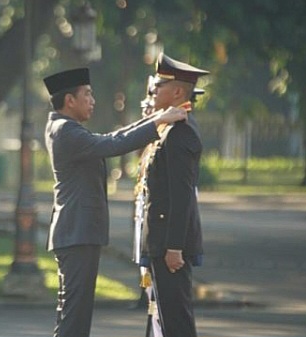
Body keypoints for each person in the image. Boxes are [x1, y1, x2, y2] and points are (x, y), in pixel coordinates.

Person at [43, 67, 188, 337]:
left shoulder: (66, 128)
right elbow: (112, 144)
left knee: (74, 314)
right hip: (77, 233)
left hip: (77, 233)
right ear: (69, 100)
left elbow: (112, 138)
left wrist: (156, 118)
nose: (92, 100)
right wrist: (158, 122)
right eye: (87, 94)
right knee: (74, 316)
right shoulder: (66, 131)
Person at [137, 53, 209, 337]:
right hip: (162, 241)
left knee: (176, 322)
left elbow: (182, 196)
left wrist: (175, 246)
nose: (153, 90)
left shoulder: (180, 133)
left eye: (159, 86)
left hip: (170, 246)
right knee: (161, 319)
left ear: (178, 92)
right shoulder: (168, 129)